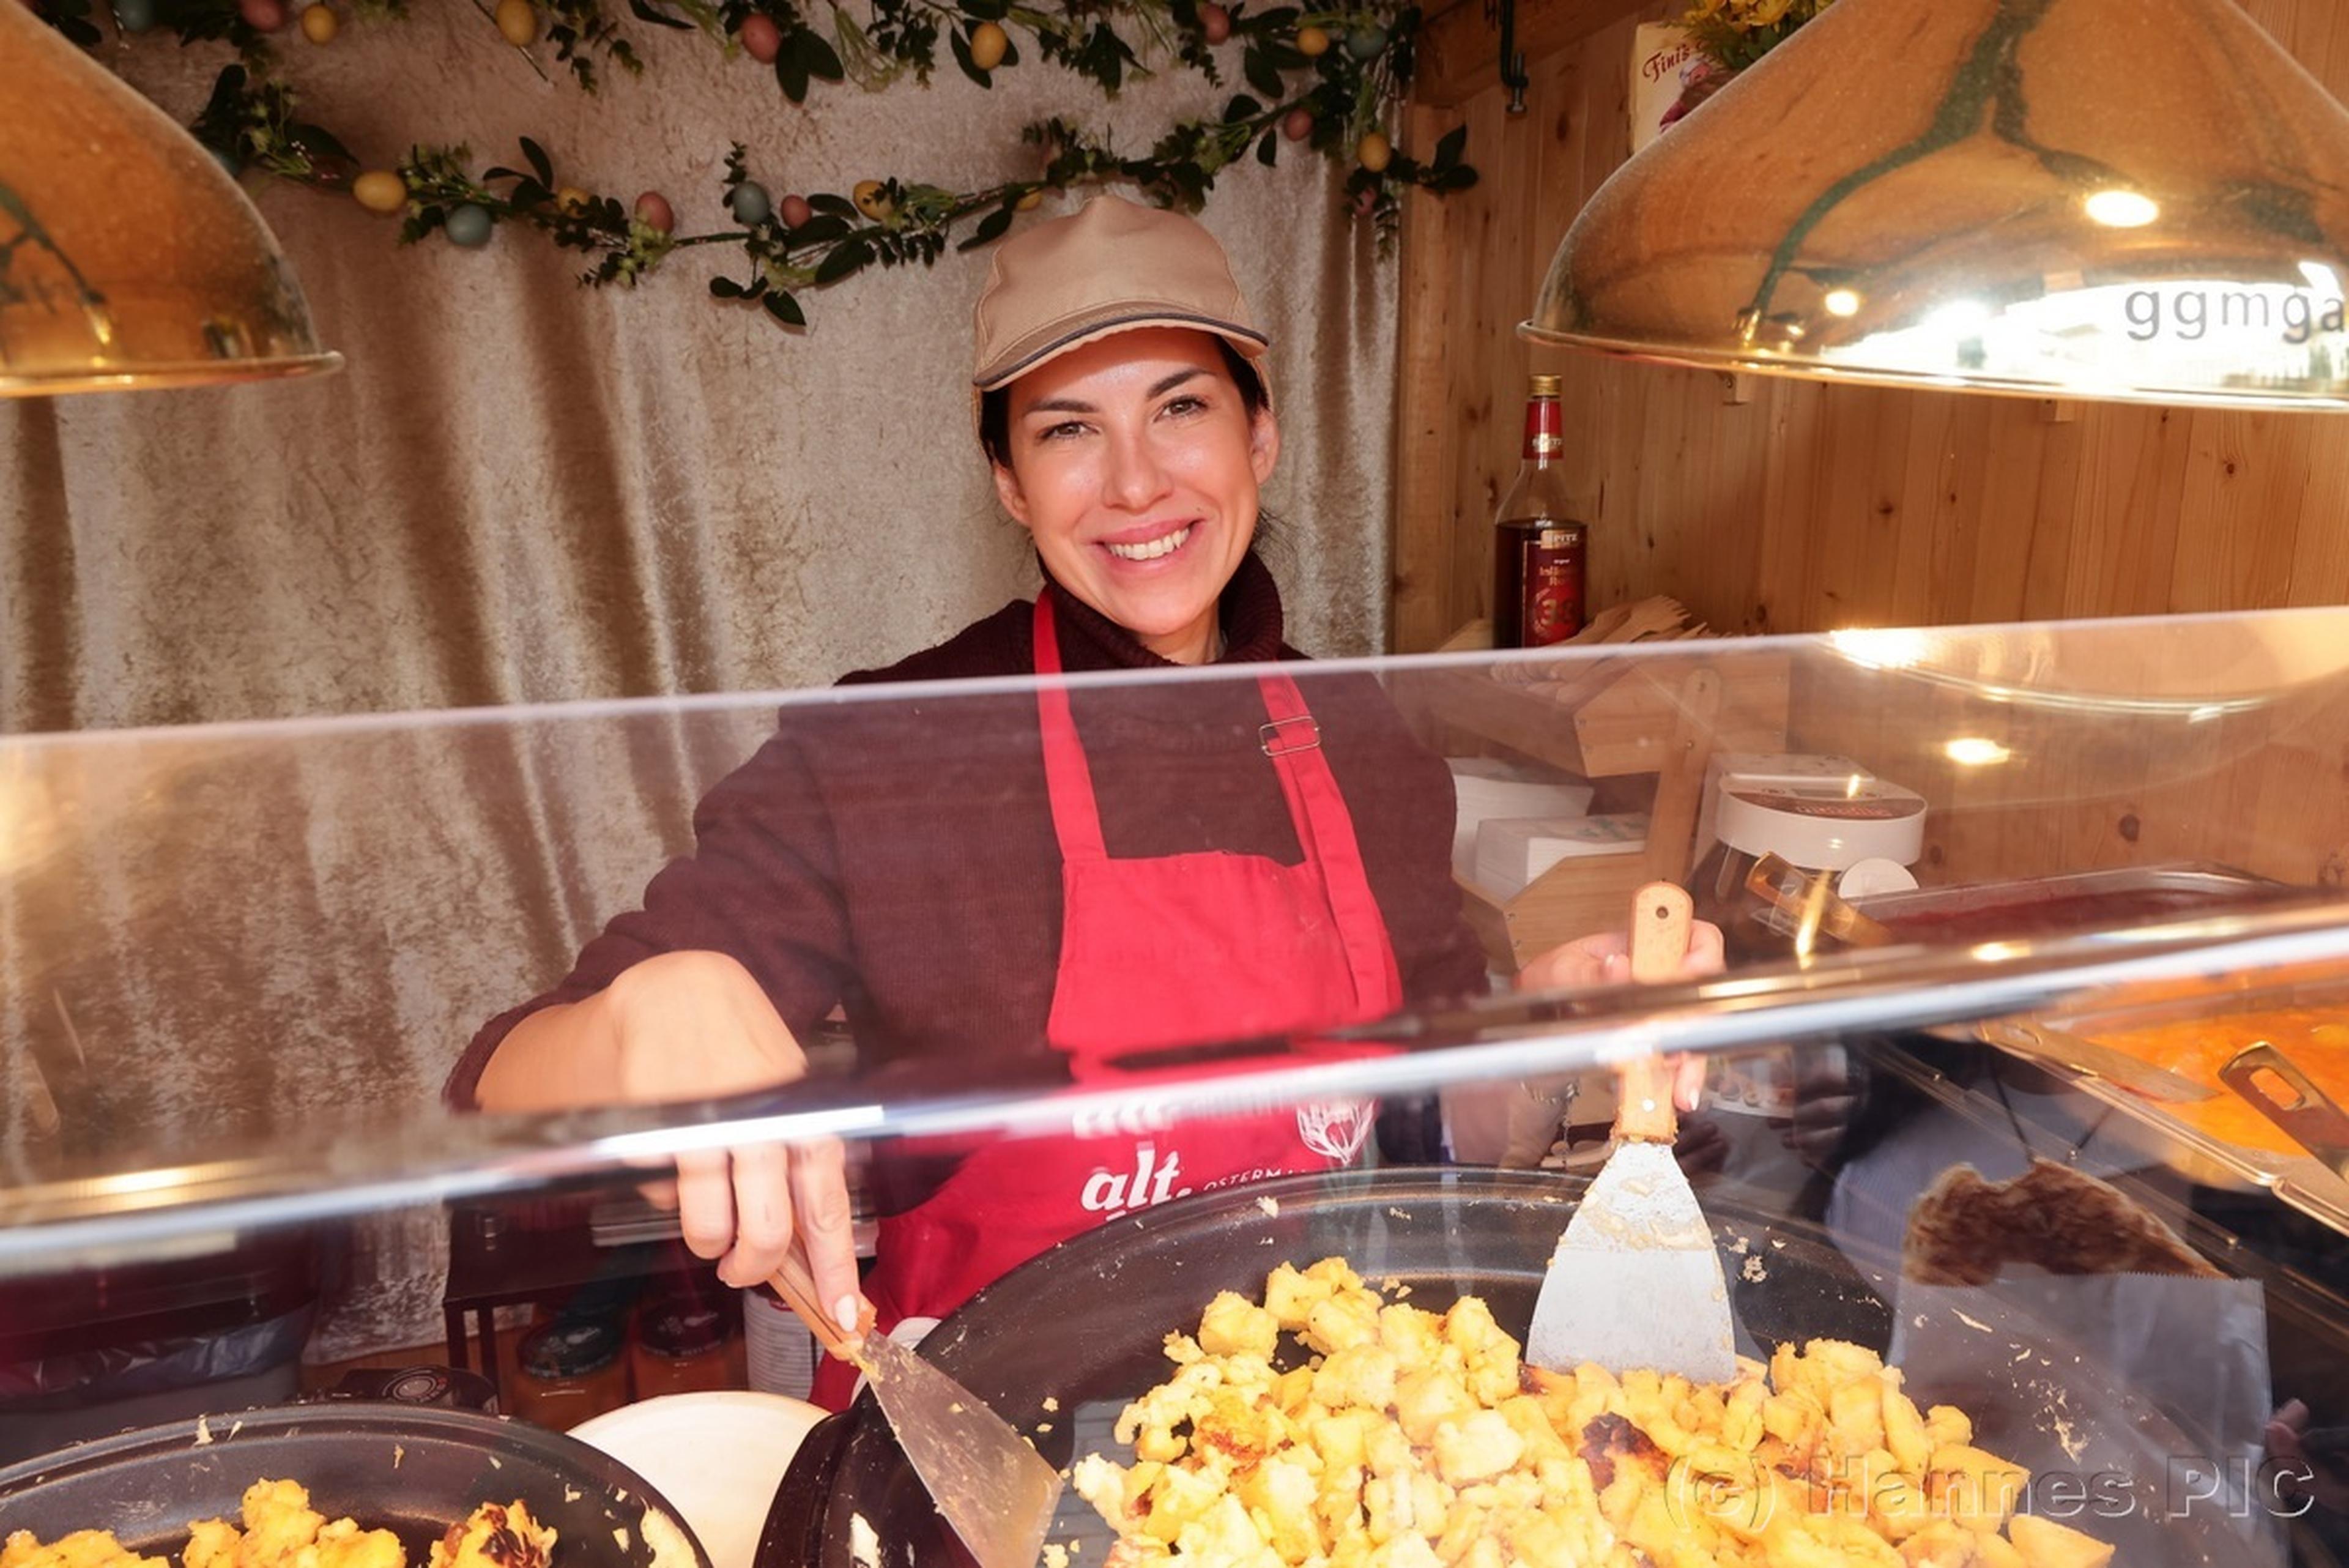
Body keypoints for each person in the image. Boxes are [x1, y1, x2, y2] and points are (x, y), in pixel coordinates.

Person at [448, 195, 1716, 1408]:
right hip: (988, 1431)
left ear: (1259, 434)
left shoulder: (1366, 735)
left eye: (1181, 409)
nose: (1134, 482)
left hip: (1313, 1437)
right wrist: (636, 1020)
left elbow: (1448, 1128)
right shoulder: (895, 746)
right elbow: (497, 1088)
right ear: (1006, 479)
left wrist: (1552, 1029)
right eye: (1066, 429)